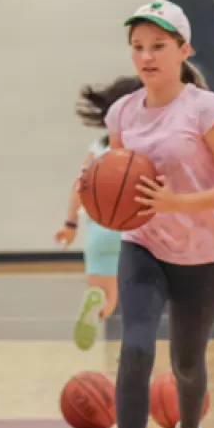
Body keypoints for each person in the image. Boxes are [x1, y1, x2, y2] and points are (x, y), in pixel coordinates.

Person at [99, 0, 214, 428]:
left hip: (203, 254)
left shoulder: (207, 110)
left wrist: (175, 203)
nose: (146, 55)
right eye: (138, 47)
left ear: (183, 50)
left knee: (187, 365)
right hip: (144, 247)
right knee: (136, 349)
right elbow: (119, 177)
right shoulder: (122, 112)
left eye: (158, 46)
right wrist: (94, 188)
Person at [55, 76, 141, 350]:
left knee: (106, 296)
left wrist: (70, 224)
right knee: (138, 300)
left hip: (100, 230)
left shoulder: (99, 147)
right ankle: (131, 350)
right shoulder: (145, 145)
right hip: (135, 229)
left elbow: (79, 186)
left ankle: (97, 302)